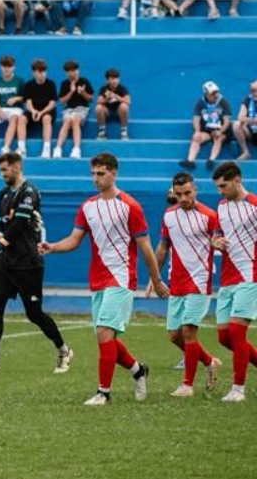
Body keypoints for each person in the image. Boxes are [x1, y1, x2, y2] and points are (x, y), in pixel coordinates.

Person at [39, 152, 170, 405]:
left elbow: (145, 247)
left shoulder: (130, 206)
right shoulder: (88, 207)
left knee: (103, 333)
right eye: (93, 174)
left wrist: (156, 279)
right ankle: (138, 370)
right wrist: (52, 246)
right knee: (106, 339)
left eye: (101, 173)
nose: (96, 178)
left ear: (113, 173)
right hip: (97, 279)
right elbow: (74, 239)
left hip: (121, 277)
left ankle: (103, 393)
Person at [0, 152, 72, 375]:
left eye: (5, 169)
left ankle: (64, 350)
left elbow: (18, 225)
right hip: (6, 263)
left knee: (34, 313)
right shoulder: (3, 193)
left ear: (17, 167)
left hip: (28, 262)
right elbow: (1, 223)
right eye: (0, 170)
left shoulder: (29, 192)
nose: (2, 174)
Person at [155, 172, 221, 398]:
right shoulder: (169, 215)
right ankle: (209, 362)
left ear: (195, 191)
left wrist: (217, 243)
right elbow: (163, 246)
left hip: (200, 280)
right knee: (175, 336)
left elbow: (217, 240)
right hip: (176, 281)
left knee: (189, 331)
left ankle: (187, 386)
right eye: (179, 194)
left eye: (187, 193)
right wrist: (155, 277)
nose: (183, 198)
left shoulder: (209, 216)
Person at [210, 162, 256, 402]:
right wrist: (215, 241)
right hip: (228, 277)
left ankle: (238, 390)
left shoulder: (254, 205)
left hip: (250, 274)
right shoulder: (222, 206)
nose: (221, 191)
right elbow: (217, 233)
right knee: (224, 337)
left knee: (237, 332)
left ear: (237, 180)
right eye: (218, 187)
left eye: (224, 186)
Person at [184, 80, 233, 171]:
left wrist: (220, 131)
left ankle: (211, 159)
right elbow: (196, 119)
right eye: (212, 93)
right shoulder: (200, 103)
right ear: (206, 94)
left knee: (218, 138)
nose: (215, 95)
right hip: (207, 130)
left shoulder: (223, 101)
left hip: (221, 130)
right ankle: (190, 160)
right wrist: (197, 131)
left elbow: (227, 121)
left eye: (216, 92)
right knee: (196, 137)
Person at [54, 60, 94, 160]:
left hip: (82, 109)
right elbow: (62, 101)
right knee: (67, 121)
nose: (72, 73)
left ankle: (76, 149)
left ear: (78, 70)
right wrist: (71, 91)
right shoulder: (64, 84)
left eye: (74, 70)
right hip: (69, 109)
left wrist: (83, 92)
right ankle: (58, 148)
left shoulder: (84, 81)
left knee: (75, 120)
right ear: (66, 72)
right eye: (69, 71)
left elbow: (90, 99)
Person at [20, 60, 59, 159]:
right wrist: (33, 111)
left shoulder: (51, 84)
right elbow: (28, 102)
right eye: (40, 72)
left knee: (46, 118)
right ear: (34, 73)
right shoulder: (29, 85)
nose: (42, 74)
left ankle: (46, 149)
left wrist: (41, 112)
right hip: (33, 110)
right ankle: (22, 148)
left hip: (47, 111)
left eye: (44, 71)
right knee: (22, 119)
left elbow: (52, 103)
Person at [94, 67, 131, 140]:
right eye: (112, 79)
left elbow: (128, 101)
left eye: (117, 78)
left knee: (124, 106)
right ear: (107, 80)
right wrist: (107, 99)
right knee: (98, 108)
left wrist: (116, 96)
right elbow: (98, 101)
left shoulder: (122, 88)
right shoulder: (104, 88)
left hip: (119, 113)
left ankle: (124, 132)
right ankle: (102, 133)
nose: (115, 81)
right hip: (107, 113)